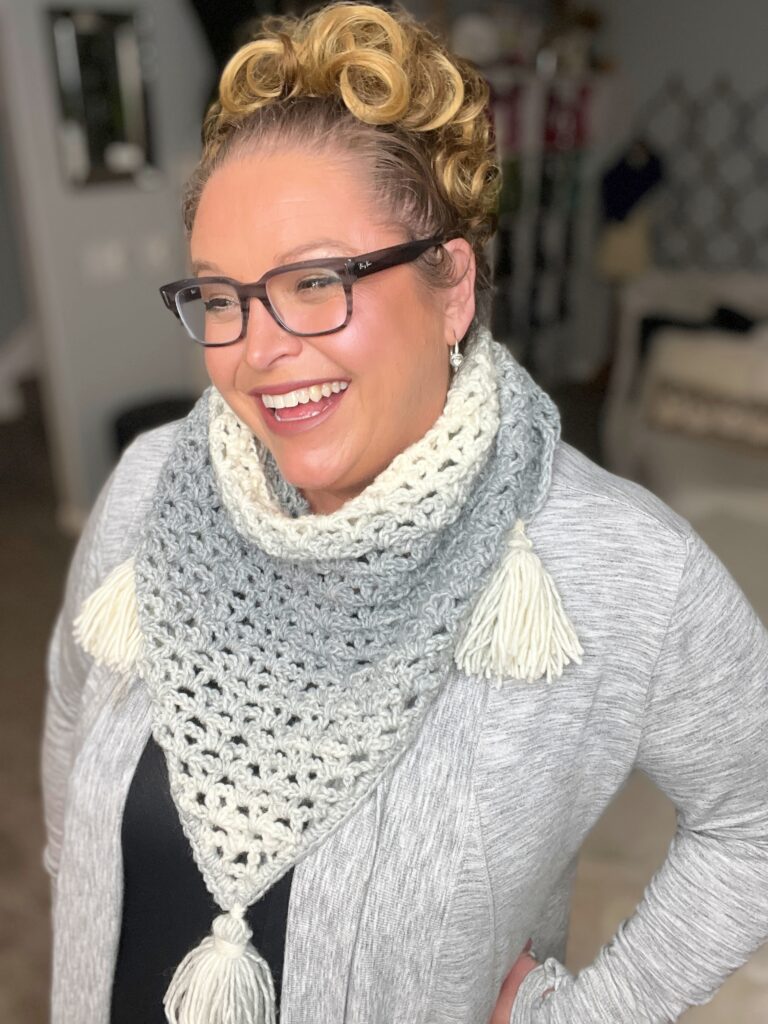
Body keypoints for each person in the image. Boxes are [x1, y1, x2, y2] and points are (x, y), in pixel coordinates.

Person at [42, 3, 768, 1023]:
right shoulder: (151, 491)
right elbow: (75, 740)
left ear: (451, 287)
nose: (257, 349)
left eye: (314, 281)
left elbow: (754, 818)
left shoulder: (606, 560)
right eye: (220, 296)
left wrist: (599, 1011)